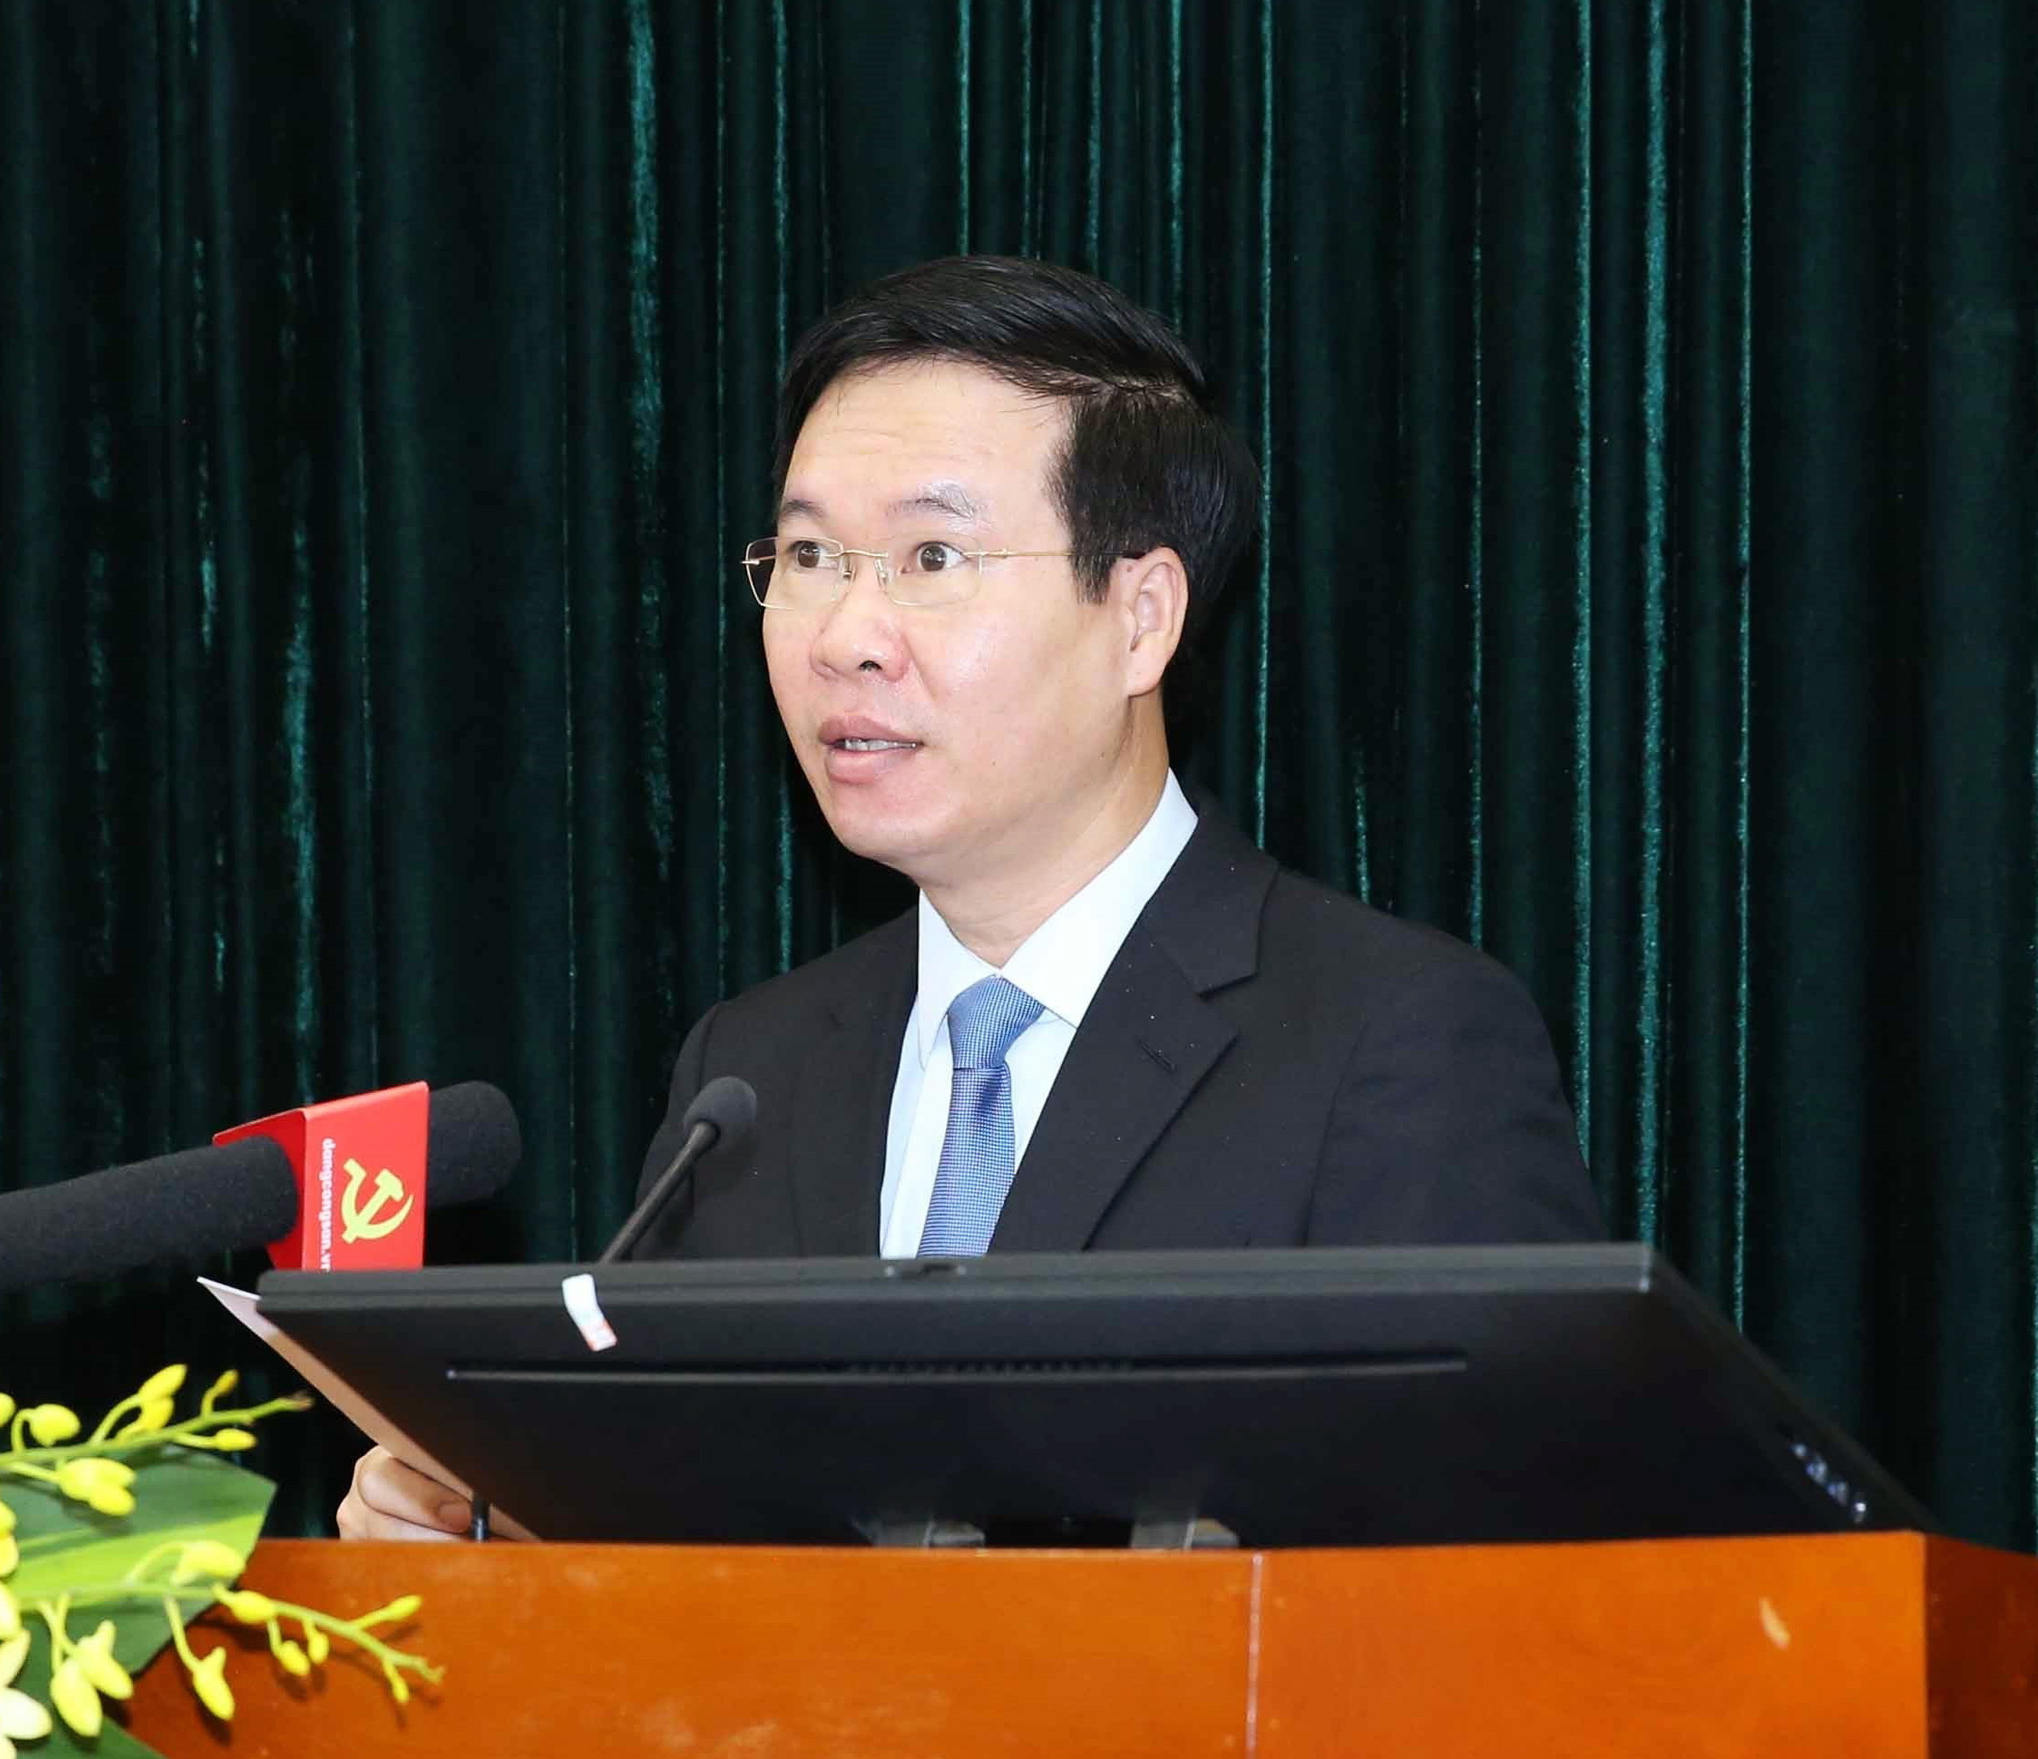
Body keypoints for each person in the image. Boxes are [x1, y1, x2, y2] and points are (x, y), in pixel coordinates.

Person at [338, 255, 1603, 1540]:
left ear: (1141, 617)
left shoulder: (1393, 1043)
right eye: (809, 554)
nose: (844, 634)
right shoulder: (752, 1075)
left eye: (932, 555)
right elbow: (694, 1545)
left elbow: (1503, 1581)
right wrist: (510, 1536)